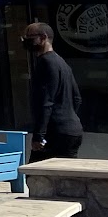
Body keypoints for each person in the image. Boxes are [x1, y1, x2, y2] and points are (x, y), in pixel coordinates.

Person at [22, 22, 83, 157]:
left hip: (55, 133)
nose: (26, 41)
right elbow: (77, 98)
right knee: (64, 170)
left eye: (30, 37)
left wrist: (39, 135)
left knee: (37, 170)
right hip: (72, 131)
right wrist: (68, 117)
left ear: (43, 38)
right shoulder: (62, 62)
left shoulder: (45, 62)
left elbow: (46, 101)